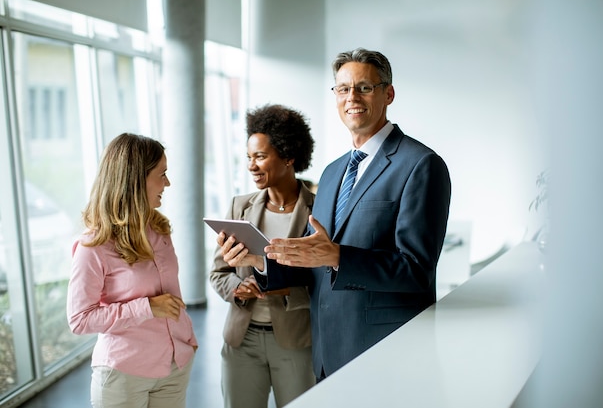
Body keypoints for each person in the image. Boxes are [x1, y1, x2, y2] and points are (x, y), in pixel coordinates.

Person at [224, 48, 452, 381]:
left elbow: (417, 270)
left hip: (385, 351)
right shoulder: (332, 173)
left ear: (388, 93)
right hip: (328, 351)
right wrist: (260, 259)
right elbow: (312, 259)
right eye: (343, 89)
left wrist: (338, 256)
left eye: (364, 87)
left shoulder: (420, 165)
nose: (352, 97)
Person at [67, 133, 198, 408]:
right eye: (162, 174)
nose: (168, 183)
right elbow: (79, 320)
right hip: (124, 375)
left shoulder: (160, 229)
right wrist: (147, 307)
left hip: (175, 366)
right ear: (136, 179)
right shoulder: (93, 246)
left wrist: (185, 336)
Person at [210, 104, 316, 408]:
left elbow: (324, 282)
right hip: (242, 340)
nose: (251, 166)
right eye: (248, 157)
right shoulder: (239, 207)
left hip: (295, 341)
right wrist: (237, 289)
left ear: (288, 156)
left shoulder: (318, 212)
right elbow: (219, 273)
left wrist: (285, 288)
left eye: (260, 157)